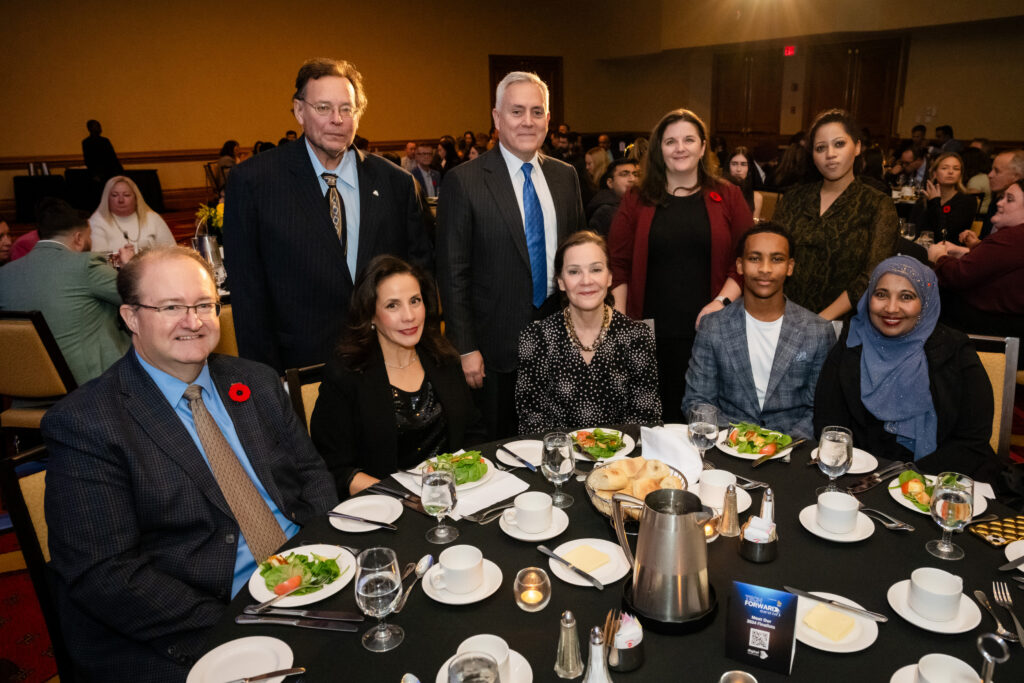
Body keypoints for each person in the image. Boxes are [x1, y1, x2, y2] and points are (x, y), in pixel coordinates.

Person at [41, 246, 337, 681]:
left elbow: (311, 475)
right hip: (196, 616)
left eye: (203, 305)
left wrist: (322, 558)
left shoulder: (254, 380)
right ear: (130, 318)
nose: (193, 321)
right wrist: (235, 623)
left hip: (306, 578)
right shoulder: (87, 423)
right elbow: (105, 573)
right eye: (171, 307)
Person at [222, 58, 432, 373]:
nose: (337, 119)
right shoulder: (254, 182)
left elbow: (421, 274)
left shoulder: (396, 183)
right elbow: (248, 293)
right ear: (299, 110)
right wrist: (265, 380)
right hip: (301, 368)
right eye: (323, 108)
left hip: (388, 362)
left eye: (347, 109)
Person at [436, 71, 586, 439]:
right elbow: (453, 272)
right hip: (493, 350)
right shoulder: (464, 180)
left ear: (548, 120)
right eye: (517, 111)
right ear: (497, 117)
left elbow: (579, 259)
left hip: (559, 341)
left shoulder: (565, 177)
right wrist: (465, 347)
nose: (527, 121)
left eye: (537, 112)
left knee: (558, 442)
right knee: (500, 447)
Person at [608, 108, 753, 422]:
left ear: (703, 147)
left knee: (703, 420)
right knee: (654, 420)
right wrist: (620, 316)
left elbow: (745, 260)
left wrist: (720, 302)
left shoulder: (728, 196)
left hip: (709, 328)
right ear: (660, 148)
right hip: (648, 330)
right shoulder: (636, 197)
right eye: (671, 141)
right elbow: (617, 261)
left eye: (689, 140)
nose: (680, 147)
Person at [311, 255, 484, 497]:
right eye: (393, 305)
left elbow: (472, 433)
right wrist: (406, 499)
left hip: (454, 498)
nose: (409, 316)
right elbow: (334, 468)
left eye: (415, 301)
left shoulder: (444, 358)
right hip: (385, 508)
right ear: (370, 314)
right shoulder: (345, 375)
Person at [814, 256, 995, 479]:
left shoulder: (953, 350)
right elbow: (828, 423)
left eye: (906, 297)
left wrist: (907, 479)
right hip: (859, 478)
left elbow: (972, 440)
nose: (891, 308)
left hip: (936, 481)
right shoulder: (852, 342)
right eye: (881, 294)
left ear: (926, 302)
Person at [683, 224, 834, 439]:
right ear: (740, 265)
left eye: (776, 259)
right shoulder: (713, 326)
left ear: (790, 267)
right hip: (727, 445)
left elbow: (819, 407)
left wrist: (785, 446)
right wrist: (736, 440)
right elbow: (698, 400)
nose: (765, 268)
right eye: (754, 258)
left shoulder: (817, 331)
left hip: (794, 450)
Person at [516, 231, 660, 433]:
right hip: (559, 460)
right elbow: (532, 421)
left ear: (609, 277)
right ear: (560, 282)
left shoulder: (637, 336)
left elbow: (645, 417)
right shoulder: (537, 337)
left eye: (596, 269)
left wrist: (610, 456)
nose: (586, 280)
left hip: (621, 458)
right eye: (574, 272)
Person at [773, 108, 898, 320]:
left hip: (844, 325)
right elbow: (773, 256)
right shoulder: (794, 199)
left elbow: (872, 275)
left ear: (857, 147)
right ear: (812, 155)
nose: (830, 154)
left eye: (839, 144)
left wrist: (820, 321)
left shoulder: (877, 204)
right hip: (784, 317)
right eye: (820, 148)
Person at [0, 198, 132, 384]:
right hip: (89, 387)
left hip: (24, 385)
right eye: (89, 236)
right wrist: (130, 268)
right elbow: (139, 297)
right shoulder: (85, 265)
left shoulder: (5, 274)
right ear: (78, 238)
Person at [930, 179, 1024, 346]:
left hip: (997, 333)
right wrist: (969, 250)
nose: (1000, 203)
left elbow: (957, 276)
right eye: (1002, 197)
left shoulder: (1012, 238)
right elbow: (1003, 262)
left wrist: (939, 257)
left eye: (1009, 199)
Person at [89, 175, 175, 254]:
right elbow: (98, 259)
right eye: (114, 195)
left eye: (126, 195)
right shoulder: (96, 221)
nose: (121, 200)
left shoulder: (152, 218)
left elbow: (172, 251)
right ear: (107, 198)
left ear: (136, 198)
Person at [909, 152, 976, 244]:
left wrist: (935, 202)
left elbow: (946, 235)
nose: (951, 172)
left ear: (960, 174)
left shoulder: (967, 201)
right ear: (934, 173)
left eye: (956, 169)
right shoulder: (923, 200)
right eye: (945, 168)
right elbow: (913, 230)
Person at [972, 149, 1024, 240]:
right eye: (991, 169)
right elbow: (987, 240)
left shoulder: (1019, 211)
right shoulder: (996, 202)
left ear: (1016, 176)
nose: (990, 175)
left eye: (997, 171)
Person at [587, 158, 638, 236]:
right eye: (624, 174)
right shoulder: (605, 212)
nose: (632, 179)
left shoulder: (638, 204)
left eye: (636, 174)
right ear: (610, 183)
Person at [81, 119, 123, 183]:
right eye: (97, 126)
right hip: (99, 174)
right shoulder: (87, 143)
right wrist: (94, 174)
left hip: (109, 172)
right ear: (90, 128)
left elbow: (113, 157)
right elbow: (88, 160)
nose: (99, 128)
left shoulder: (105, 141)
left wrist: (120, 172)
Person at [726, 146, 763, 219]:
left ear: (749, 169)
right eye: (734, 164)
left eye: (743, 164)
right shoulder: (718, 192)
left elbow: (754, 226)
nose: (738, 169)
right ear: (728, 167)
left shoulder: (756, 198)